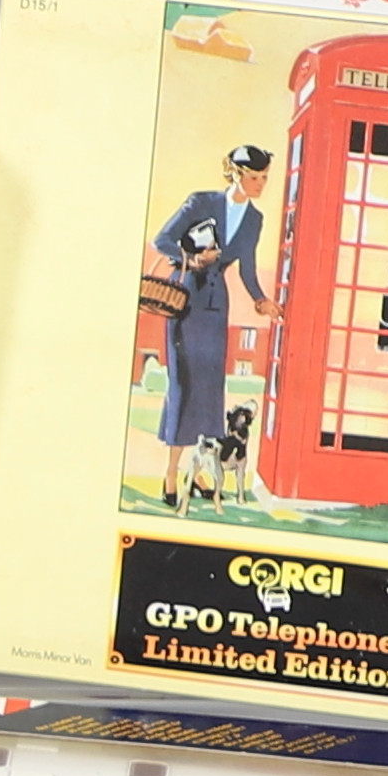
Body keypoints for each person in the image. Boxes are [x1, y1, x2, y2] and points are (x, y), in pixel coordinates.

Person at [148, 144, 270, 510]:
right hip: (186, 303)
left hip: (216, 309)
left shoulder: (254, 219)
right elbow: (162, 241)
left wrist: (261, 300)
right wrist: (193, 258)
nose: (261, 184)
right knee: (183, 387)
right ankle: (171, 474)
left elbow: (247, 268)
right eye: (255, 177)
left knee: (209, 393)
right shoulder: (201, 202)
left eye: (264, 178)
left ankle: (197, 473)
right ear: (236, 174)